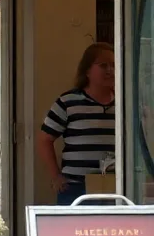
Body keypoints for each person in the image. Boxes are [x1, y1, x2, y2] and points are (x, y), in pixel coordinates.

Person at [39, 42, 116, 206]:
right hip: (76, 188)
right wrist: (56, 177)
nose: (110, 70)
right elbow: (45, 139)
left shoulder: (126, 104)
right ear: (87, 70)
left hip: (116, 186)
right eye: (104, 65)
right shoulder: (68, 102)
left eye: (114, 65)